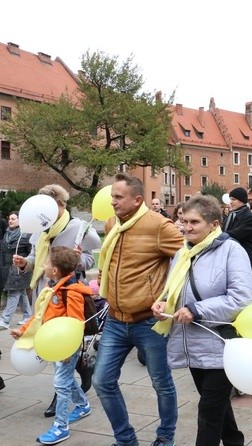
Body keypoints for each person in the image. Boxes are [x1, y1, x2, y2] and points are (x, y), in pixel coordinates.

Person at [152, 195, 252, 446]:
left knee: (208, 411)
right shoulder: (182, 252)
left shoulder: (232, 251)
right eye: (184, 221)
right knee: (217, 407)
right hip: (191, 343)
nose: (186, 227)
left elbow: (241, 298)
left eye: (194, 222)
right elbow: (175, 290)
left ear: (214, 224)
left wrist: (197, 310)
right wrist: (164, 302)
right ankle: (234, 441)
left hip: (221, 344)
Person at [92, 173, 183, 446]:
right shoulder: (111, 224)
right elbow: (107, 260)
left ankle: (165, 437)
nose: (113, 202)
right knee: (102, 381)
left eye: (118, 197)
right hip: (116, 320)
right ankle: (125, 439)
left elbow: (187, 258)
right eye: (112, 197)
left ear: (137, 200)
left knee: (161, 384)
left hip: (148, 322)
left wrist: (168, 296)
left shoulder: (158, 225)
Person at [12, 184, 101, 417]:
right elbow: (35, 257)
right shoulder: (40, 228)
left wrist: (75, 260)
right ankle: (84, 370)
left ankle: (59, 394)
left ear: (62, 205)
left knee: (60, 345)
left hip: (67, 292)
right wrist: (25, 263)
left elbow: (90, 259)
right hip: (44, 292)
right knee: (54, 344)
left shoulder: (78, 227)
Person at [11, 247, 92, 445]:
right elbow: (41, 315)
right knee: (65, 378)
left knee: (61, 384)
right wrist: (23, 330)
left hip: (65, 346)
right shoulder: (52, 288)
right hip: (55, 344)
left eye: (46, 263)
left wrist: (66, 348)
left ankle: (61, 426)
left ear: (55, 270)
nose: (43, 266)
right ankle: (83, 405)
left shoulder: (70, 292)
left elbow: (75, 323)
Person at [0, 211, 32, 329]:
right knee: (21, 292)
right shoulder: (7, 234)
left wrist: (25, 264)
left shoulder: (25, 235)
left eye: (13, 219)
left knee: (13, 292)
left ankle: (5, 320)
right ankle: (28, 316)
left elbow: (31, 253)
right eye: (9, 219)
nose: (10, 221)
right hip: (9, 268)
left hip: (21, 269)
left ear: (20, 220)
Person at [223, 187, 252, 274]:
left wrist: (219, 235)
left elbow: (238, 234)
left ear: (242, 200)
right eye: (230, 199)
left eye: (233, 199)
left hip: (244, 258)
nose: (231, 202)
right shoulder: (230, 216)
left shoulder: (251, 218)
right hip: (230, 257)